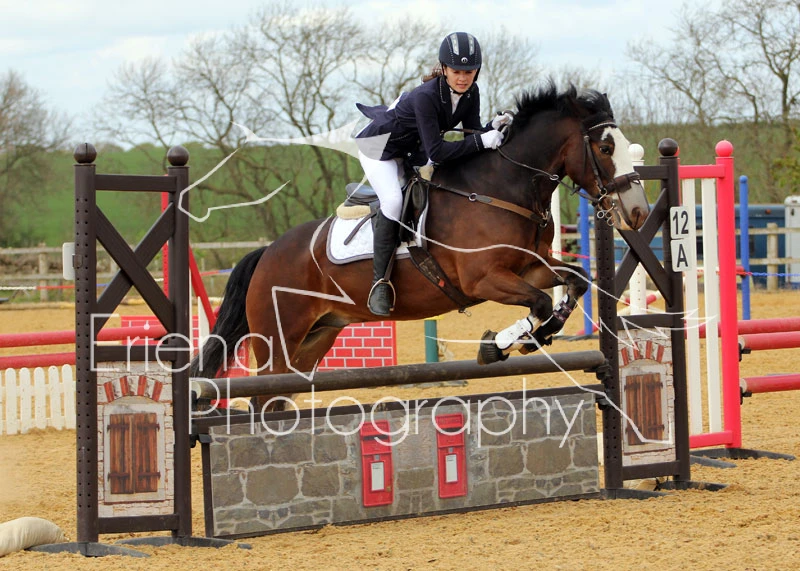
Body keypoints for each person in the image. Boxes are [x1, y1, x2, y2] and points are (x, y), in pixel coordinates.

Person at [356, 31, 513, 316]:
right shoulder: (426, 97)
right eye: (456, 71)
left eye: (469, 72)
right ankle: (380, 283)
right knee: (393, 201)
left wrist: (492, 127)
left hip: (409, 152)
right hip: (378, 149)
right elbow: (439, 152)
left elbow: (470, 135)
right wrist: (482, 141)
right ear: (444, 69)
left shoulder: (471, 93)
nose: (462, 78)